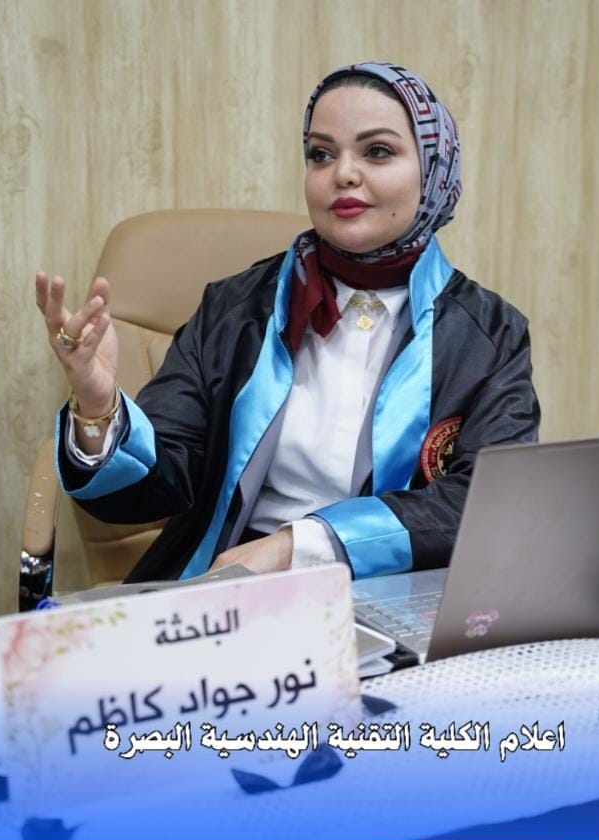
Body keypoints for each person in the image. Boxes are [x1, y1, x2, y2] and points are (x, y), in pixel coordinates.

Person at [33, 61, 539, 583]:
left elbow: (489, 501)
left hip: (395, 593)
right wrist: (97, 406)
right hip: (232, 585)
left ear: (433, 170)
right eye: (322, 154)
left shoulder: (490, 334)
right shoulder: (236, 309)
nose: (343, 173)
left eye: (377, 151)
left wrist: (299, 545)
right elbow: (147, 493)